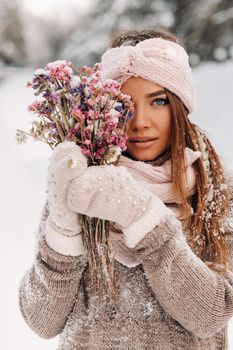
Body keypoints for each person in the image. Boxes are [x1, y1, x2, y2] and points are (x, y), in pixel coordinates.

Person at [19, 29, 233, 350]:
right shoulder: (83, 188)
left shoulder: (213, 189)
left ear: (180, 107)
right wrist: (63, 228)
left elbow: (211, 314)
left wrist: (144, 217)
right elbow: (41, 319)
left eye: (158, 101)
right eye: (124, 103)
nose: (140, 122)